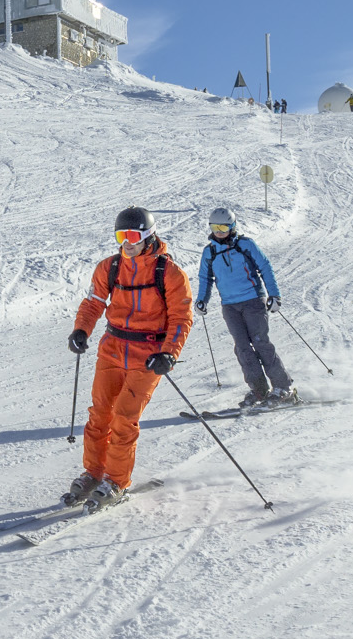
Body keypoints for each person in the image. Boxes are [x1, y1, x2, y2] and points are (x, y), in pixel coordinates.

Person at [66, 208, 190, 505]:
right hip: (112, 347)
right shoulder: (110, 267)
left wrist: (168, 354)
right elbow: (94, 302)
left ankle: (116, 481)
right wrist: (81, 330)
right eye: (121, 236)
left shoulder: (168, 272)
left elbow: (181, 317)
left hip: (147, 355)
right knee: (99, 415)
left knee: (124, 417)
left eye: (132, 236)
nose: (126, 243)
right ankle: (93, 473)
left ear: (147, 236)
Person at [196, 206, 294, 409]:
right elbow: (205, 278)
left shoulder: (245, 245)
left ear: (232, 226)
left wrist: (274, 295)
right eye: (215, 227)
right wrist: (202, 299)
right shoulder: (210, 252)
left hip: (253, 301)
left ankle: (283, 387)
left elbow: (265, 266)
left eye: (224, 227)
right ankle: (259, 389)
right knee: (242, 348)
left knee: (260, 343)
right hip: (230, 306)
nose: (219, 231)